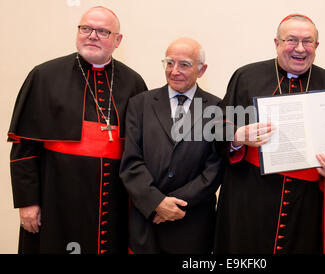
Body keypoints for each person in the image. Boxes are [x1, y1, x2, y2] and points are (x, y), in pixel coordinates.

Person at [7, 6, 148, 254]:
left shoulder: (134, 82)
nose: (92, 35)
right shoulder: (44, 76)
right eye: (86, 28)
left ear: (118, 40)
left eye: (102, 31)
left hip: (113, 201)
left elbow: (143, 150)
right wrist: (27, 202)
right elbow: (25, 149)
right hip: (58, 198)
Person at [214, 14, 325, 254]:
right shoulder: (246, 76)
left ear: (317, 46)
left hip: (305, 201)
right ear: (277, 43)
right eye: (291, 40)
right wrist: (237, 136)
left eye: (308, 41)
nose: (300, 48)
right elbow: (217, 126)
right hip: (250, 195)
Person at [119, 37, 223, 254]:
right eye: (169, 63)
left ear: (201, 70)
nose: (174, 71)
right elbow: (131, 161)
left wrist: (173, 205)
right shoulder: (140, 104)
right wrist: (156, 202)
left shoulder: (218, 108)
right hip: (147, 218)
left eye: (184, 64)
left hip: (192, 223)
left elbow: (215, 168)